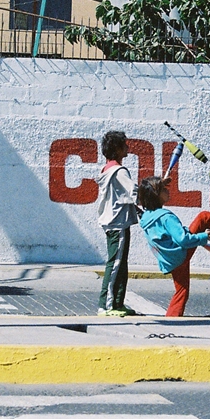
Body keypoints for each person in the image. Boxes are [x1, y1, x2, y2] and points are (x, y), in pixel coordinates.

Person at [138, 175, 210, 317]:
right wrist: (203, 237)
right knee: (204, 217)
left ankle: (171, 320)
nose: (168, 191)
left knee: (181, 291)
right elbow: (183, 240)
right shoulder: (166, 217)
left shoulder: (147, 217)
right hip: (180, 254)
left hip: (170, 260)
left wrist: (158, 184)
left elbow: (145, 192)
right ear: (156, 195)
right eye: (164, 189)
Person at [96, 131, 140, 317]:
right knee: (115, 264)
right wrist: (155, 192)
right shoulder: (120, 171)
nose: (128, 148)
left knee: (121, 264)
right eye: (125, 144)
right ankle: (106, 305)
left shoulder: (106, 169)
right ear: (117, 148)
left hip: (113, 222)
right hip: (118, 224)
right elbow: (134, 191)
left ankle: (117, 302)